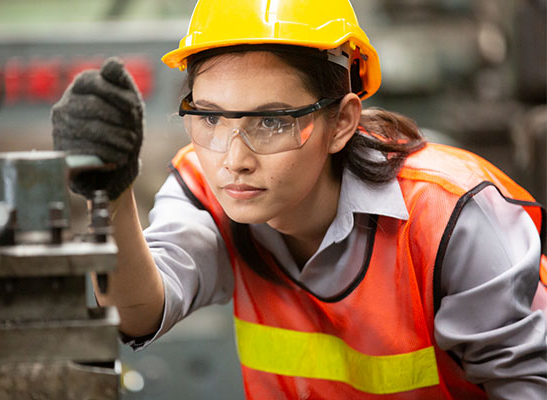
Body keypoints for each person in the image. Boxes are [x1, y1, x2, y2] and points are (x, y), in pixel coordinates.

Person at [51, 0, 547, 398]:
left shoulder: (448, 215)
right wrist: (110, 194)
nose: (233, 159)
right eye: (210, 118)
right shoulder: (204, 187)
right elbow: (139, 311)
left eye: (270, 122)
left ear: (343, 123)